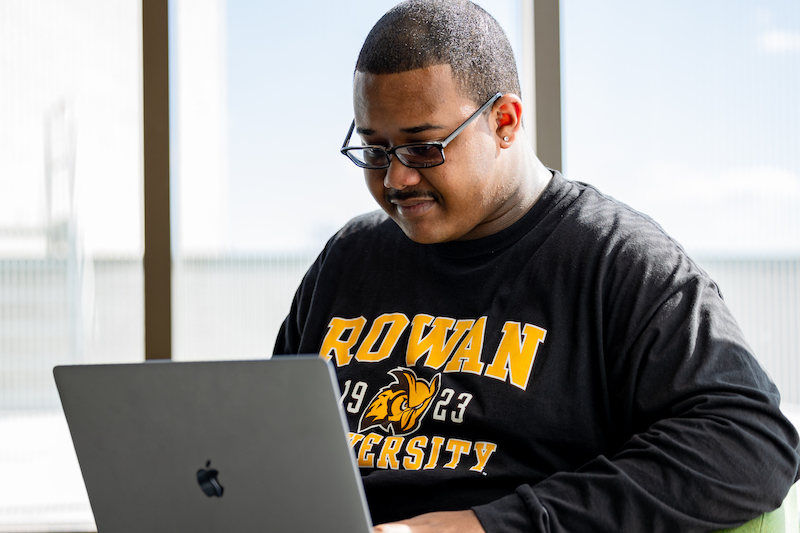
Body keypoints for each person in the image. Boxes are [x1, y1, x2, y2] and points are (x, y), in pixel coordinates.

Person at [274, 1, 800, 531]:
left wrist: (489, 526)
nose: (395, 179)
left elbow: (753, 443)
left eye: (423, 148)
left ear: (505, 121)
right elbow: (265, 439)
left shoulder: (617, 262)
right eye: (375, 150)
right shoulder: (349, 258)